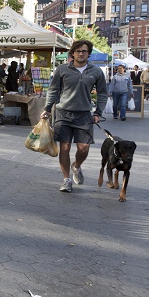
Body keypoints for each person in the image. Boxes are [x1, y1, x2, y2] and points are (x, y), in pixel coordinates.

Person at [41, 39, 108, 193]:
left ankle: (76, 166)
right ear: (72, 53)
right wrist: (47, 108)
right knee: (64, 147)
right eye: (78, 51)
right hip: (63, 113)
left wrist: (98, 112)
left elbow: (103, 93)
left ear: (88, 53)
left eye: (84, 51)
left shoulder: (96, 72)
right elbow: (53, 90)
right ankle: (66, 179)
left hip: (84, 115)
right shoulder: (62, 69)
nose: (81, 53)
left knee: (83, 148)